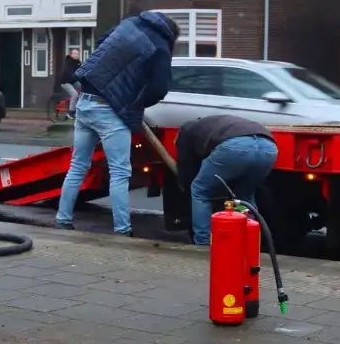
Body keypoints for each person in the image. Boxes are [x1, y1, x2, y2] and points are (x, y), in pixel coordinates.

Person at [55, 12, 179, 236]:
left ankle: (63, 219)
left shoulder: (128, 25)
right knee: (120, 172)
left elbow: (103, 42)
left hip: (85, 101)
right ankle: (123, 229)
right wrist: (138, 102)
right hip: (110, 110)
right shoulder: (161, 45)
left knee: (78, 166)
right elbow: (159, 88)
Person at [176, 116, 278, 246]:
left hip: (236, 147)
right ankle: (248, 240)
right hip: (268, 148)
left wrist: (186, 185)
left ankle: (203, 242)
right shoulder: (216, 123)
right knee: (245, 196)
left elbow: (186, 166)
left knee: (200, 191)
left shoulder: (186, 130)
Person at [59, 48, 81, 117]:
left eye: (77, 54)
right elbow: (69, 73)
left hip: (73, 81)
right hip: (65, 82)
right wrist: (75, 77)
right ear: (71, 55)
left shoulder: (78, 62)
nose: (76, 55)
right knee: (74, 94)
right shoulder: (68, 63)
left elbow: (82, 70)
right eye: (74, 54)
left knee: (82, 88)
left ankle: (78, 106)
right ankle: (71, 112)